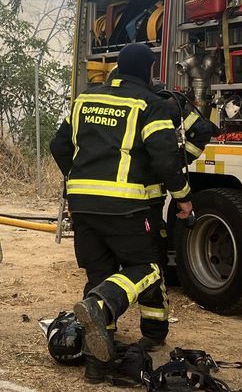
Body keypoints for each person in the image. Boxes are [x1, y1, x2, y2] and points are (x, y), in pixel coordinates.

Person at [49, 42, 193, 384]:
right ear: (148, 71)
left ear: (116, 68)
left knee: (100, 270)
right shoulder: (149, 105)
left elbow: (58, 146)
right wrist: (183, 196)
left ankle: (99, 357)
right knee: (147, 267)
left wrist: (82, 176)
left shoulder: (84, 99)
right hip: (125, 205)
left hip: (82, 203)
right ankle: (99, 307)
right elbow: (164, 157)